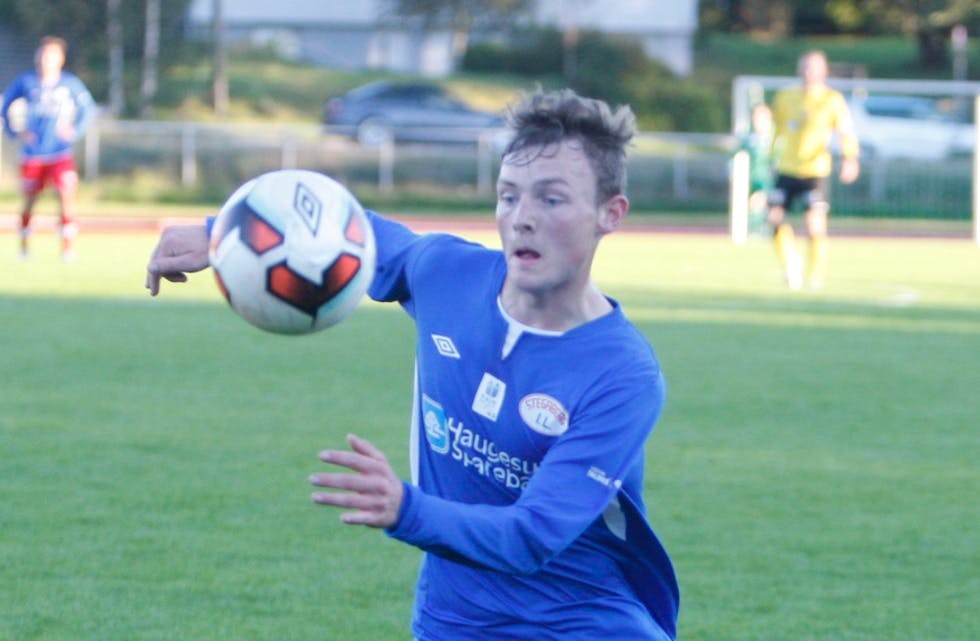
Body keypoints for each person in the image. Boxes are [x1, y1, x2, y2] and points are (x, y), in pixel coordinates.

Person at [144, 88, 679, 640]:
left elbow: (532, 537)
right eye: (508, 196)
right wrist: (219, 232)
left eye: (551, 199)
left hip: (585, 623)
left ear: (609, 213)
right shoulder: (446, 274)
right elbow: (351, 229)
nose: (521, 218)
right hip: (454, 622)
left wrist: (406, 508)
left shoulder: (623, 375)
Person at [768, 49, 860, 290]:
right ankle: (791, 266)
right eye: (805, 67)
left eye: (814, 68)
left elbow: (845, 131)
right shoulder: (785, 97)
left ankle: (814, 276)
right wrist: (769, 156)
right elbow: (776, 130)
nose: (808, 72)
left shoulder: (832, 100)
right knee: (774, 219)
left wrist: (850, 158)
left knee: (814, 225)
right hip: (787, 167)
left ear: (823, 72)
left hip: (815, 170)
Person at [1, 35, 96, 261]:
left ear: (61, 59)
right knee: (29, 201)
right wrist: (16, 131)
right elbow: (4, 106)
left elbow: (88, 109)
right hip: (33, 154)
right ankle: (24, 246)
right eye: (43, 54)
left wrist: (75, 129)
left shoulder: (69, 83)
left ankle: (67, 248)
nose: (46, 59)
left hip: (60, 153)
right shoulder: (27, 82)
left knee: (65, 196)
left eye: (52, 55)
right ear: (37, 56)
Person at [739, 101, 774, 236]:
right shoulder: (748, 139)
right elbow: (738, 155)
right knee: (750, 205)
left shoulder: (774, 138)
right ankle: (755, 229)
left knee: (760, 202)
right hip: (749, 179)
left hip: (767, 179)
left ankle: (760, 230)